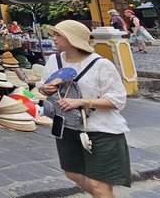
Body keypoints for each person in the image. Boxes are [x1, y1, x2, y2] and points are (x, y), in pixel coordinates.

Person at [37, 20, 130, 196]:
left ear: (72, 38)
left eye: (58, 35)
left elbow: (118, 99)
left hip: (101, 130)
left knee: (98, 184)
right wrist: (44, 88)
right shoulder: (55, 60)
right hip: (67, 126)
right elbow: (42, 83)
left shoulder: (101, 65)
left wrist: (82, 102)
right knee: (73, 173)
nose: (54, 38)